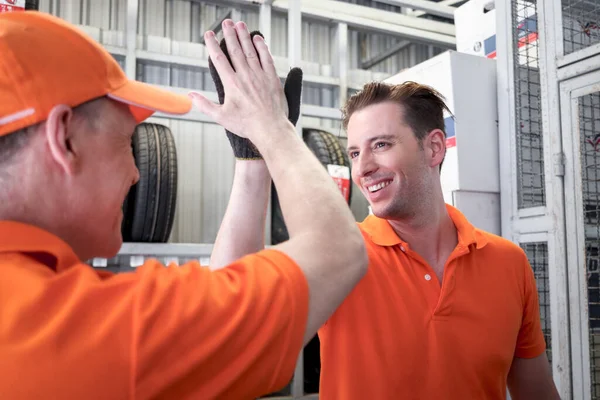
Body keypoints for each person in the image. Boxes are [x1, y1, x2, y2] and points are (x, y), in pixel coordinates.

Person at [0, 11, 367, 399]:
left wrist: (253, 160)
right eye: (127, 142)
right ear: (65, 139)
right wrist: (272, 126)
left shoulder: (33, 309)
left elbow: (221, 321)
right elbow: (338, 252)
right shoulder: (80, 332)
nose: (136, 174)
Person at [210, 80, 562, 399]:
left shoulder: (508, 262)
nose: (362, 168)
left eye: (380, 145)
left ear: (434, 148)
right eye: (354, 153)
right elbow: (233, 315)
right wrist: (252, 159)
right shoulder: (341, 257)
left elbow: (536, 390)